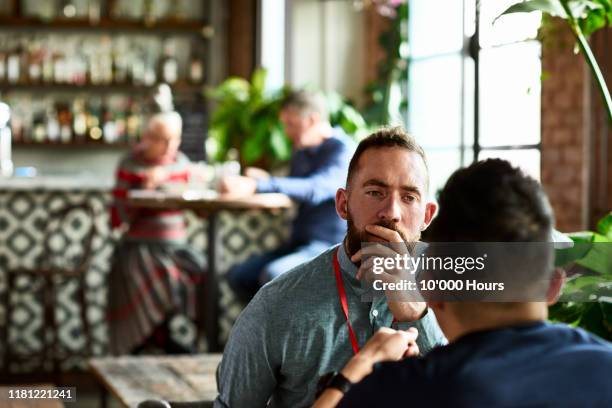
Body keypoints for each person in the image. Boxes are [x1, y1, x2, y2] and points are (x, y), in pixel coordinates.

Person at [313, 159, 612, 407]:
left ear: (429, 287)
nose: (391, 212)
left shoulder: (399, 392)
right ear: (553, 286)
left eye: (409, 196)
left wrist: (359, 367)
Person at [214, 128, 447, 408]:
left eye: (409, 197)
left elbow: (464, 395)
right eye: (375, 192)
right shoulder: (277, 304)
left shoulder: (457, 297)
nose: (391, 213)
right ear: (343, 204)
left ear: (427, 215)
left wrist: (414, 312)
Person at [218, 90, 354, 302]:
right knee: (239, 276)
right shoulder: (301, 152)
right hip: (299, 244)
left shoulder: (343, 150)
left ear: (312, 120)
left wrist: (258, 185)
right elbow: (295, 190)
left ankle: (280, 333)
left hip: (329, 247)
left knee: (273, 274)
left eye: (291, 124)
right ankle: (264, 333)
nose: (287, 132)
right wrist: (265, 180)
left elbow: (314, 189)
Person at [107, 111, 206, 355]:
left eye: (175, 139)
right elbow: (117, 219)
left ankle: (188, 344)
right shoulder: (130, 164)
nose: (169, 147)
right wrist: (143, 190)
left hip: (178, 246)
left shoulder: (182, 164)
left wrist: (197, 189)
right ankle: (154, 338)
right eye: (163, 139)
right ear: (147, 137)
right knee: (158, 274)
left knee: (207, 273)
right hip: (139, 247)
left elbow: (201, 211)